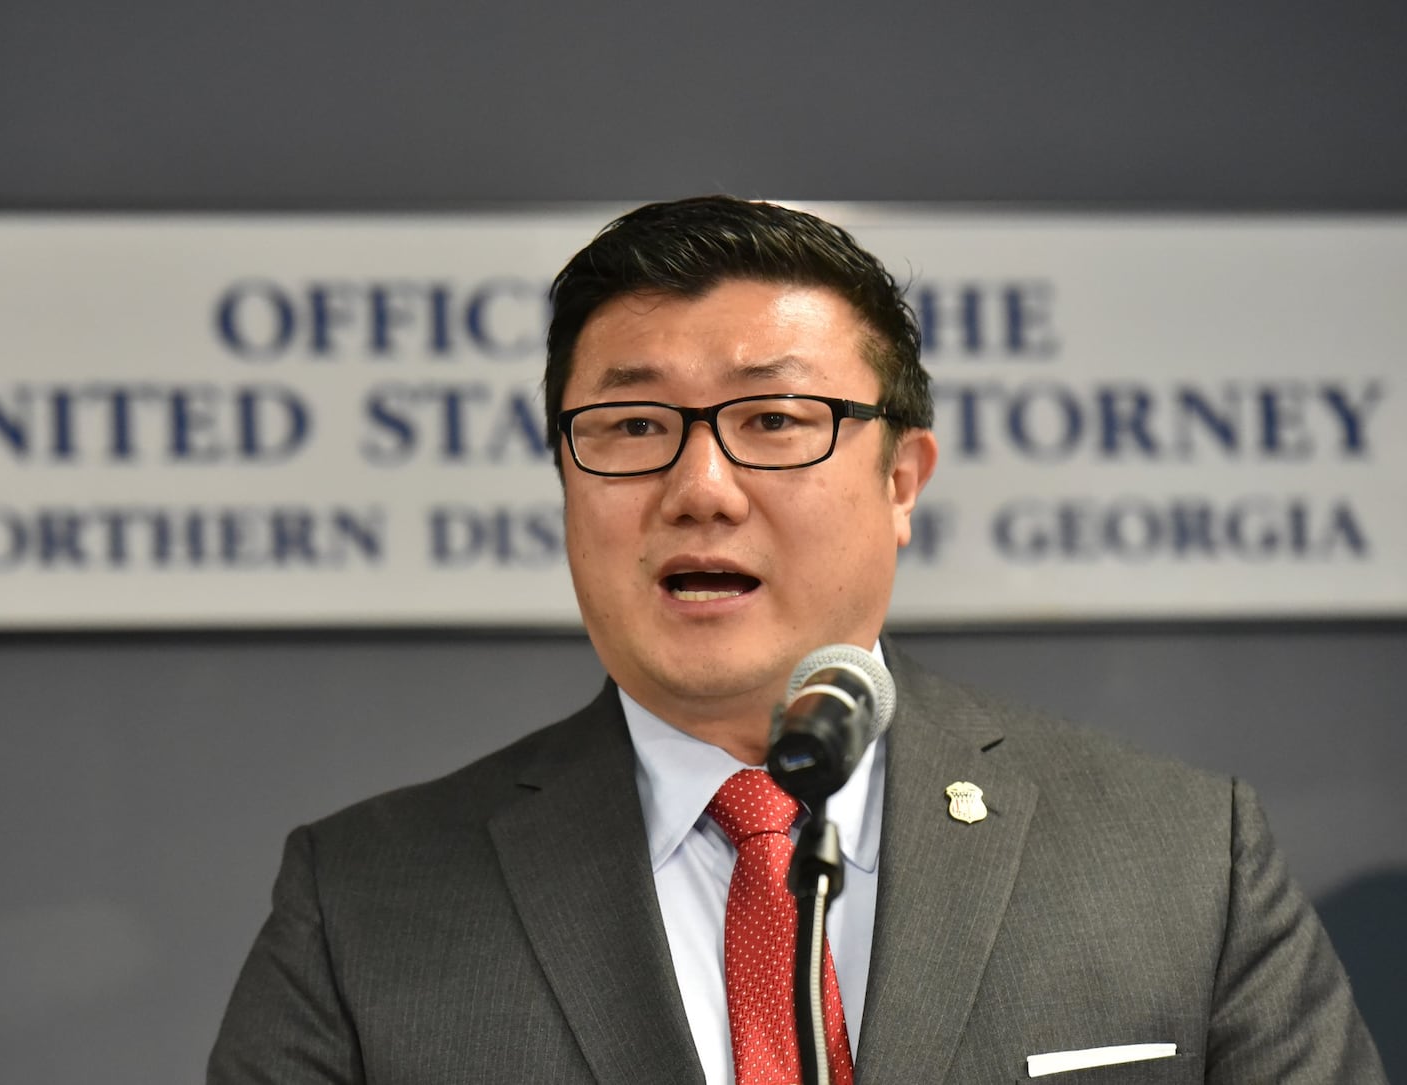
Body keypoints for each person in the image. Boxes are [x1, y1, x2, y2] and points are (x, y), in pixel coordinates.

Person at [208, 196, 1384, 1083]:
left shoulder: (1180, 862)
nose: (701, 485)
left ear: (901, 479)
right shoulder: (368, 901)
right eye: (629, 425)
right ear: (565, 476)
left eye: (774, 418)